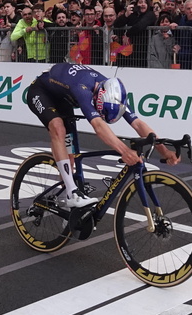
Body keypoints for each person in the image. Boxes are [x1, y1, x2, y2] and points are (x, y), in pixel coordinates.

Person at [24, 63, 179, 209]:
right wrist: (125, 151)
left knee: (70, 159)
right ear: (99, 98)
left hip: (64, 98)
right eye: (101, 111)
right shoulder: (82, 87)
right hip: (41, 91)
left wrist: (164, 151)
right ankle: (71, 193)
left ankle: (70, 210)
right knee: (58, 128)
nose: (101, 114)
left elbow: (138, 124)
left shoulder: (115, 94)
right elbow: (98, 126)